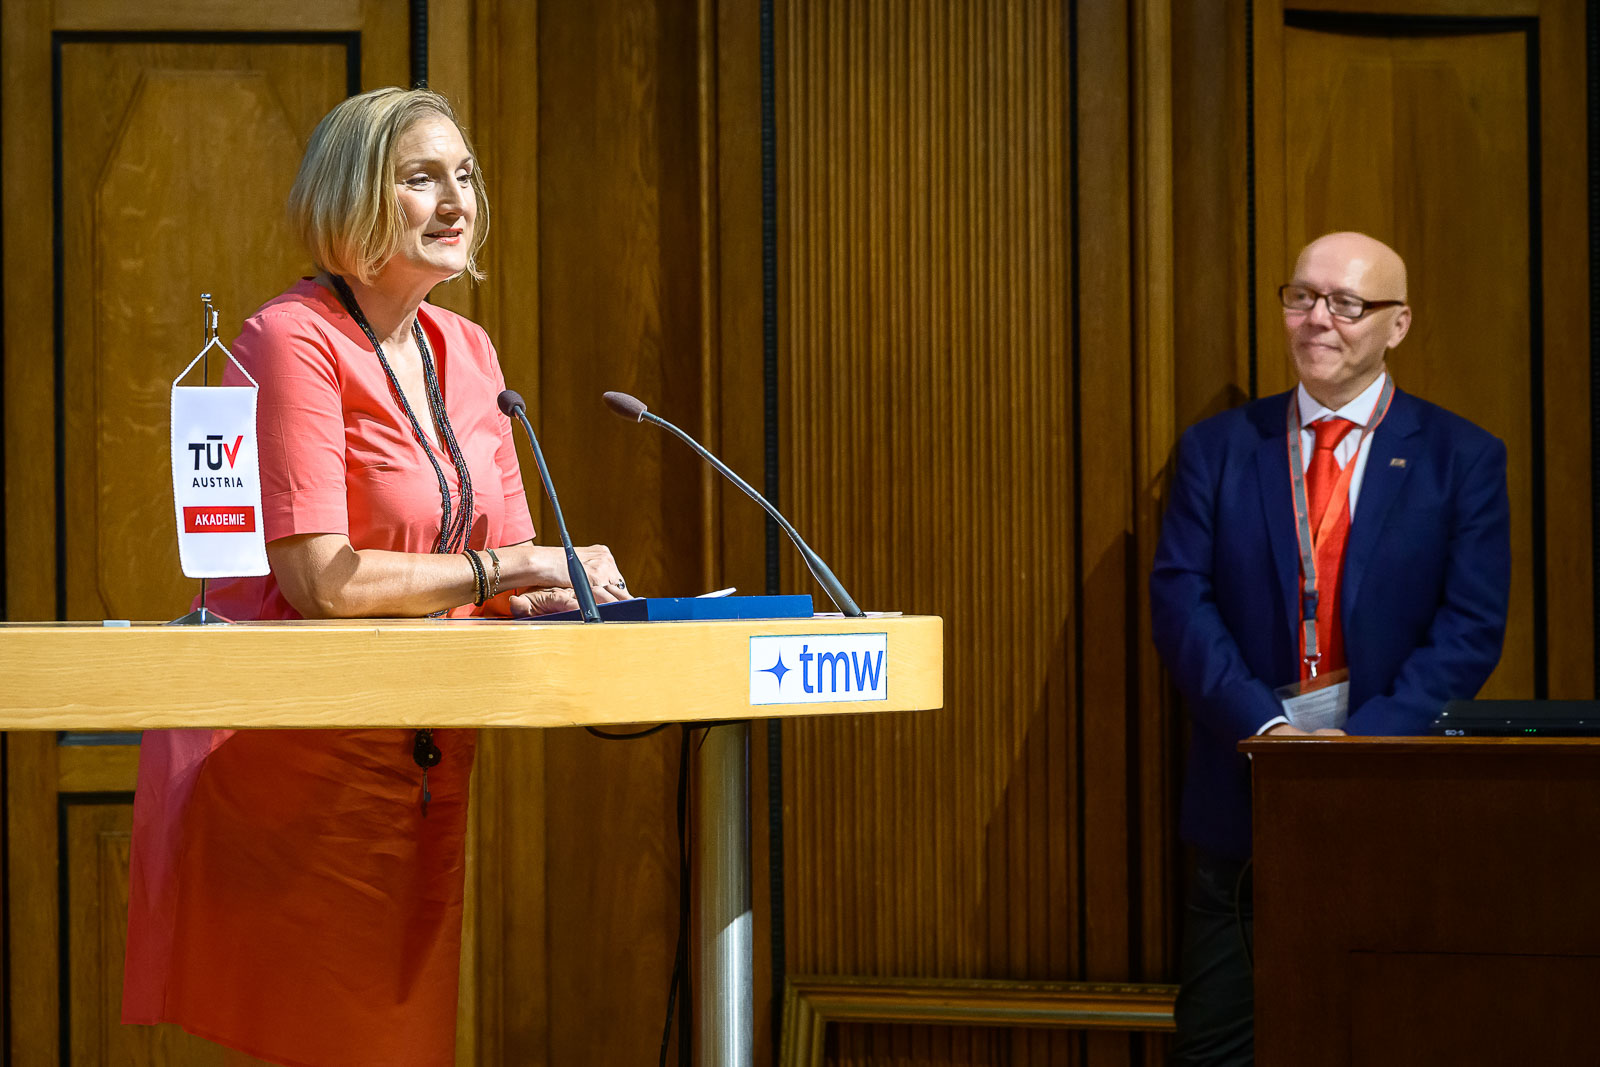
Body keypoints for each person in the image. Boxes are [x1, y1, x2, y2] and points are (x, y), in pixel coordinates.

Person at [122, 87, 629, 1066]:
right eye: (420, 177)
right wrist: (508, 563)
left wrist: (584, 585)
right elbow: (324, 579)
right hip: (290, 762)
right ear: (357, 195)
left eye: (465, 176)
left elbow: (519, 559)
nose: (455, 199)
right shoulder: (290, 340)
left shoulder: (468, 350)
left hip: (423, 755)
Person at [1149, 232, 1510, 1065]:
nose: (1317, 319)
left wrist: (1361, 747)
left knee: (1384, 1036)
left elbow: (1469, 628)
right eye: (1300, 297)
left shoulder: (1463, 459)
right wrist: (1269, 734)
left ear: (1398, 324)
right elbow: (1181, 604)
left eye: (1346, 303)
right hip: (1243, 800)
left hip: (1393, 797)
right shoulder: (1218, 449)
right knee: (1220, 1049)